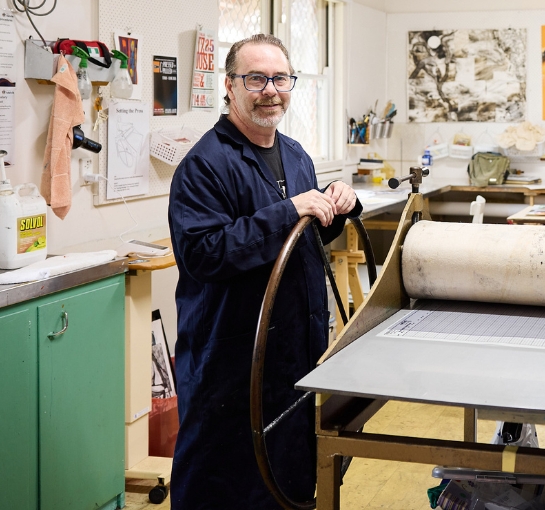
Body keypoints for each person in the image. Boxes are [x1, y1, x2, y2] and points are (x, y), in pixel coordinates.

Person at [168, 33, 361, 508]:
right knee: (225, 480)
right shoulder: (203, 167)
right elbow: (204, 253)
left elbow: (304, 242)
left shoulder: (296, 155)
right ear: (229, 86)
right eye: (256, 78)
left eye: (280, 78)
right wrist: (287, 211)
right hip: (232, 361)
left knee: (289, 477)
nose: (270, 89)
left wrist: (340, 208)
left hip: (295, 353)